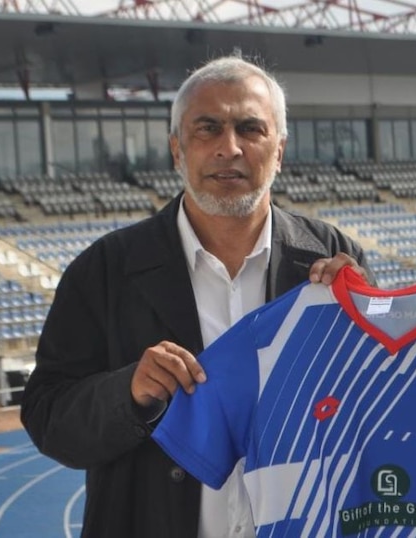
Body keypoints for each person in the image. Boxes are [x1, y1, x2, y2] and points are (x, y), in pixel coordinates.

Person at [20, 54, 373, 538]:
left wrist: (375, 326)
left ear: (279, 150)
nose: (230, 148)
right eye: (208, 129)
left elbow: (377, 410)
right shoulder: (104, 270)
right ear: (177, 149)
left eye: (250, 128)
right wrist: (128, 394)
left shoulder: (333, 260)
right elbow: (48, 418)